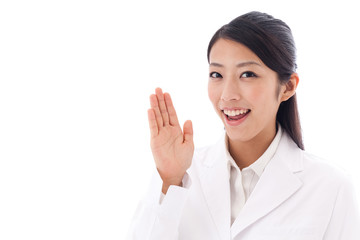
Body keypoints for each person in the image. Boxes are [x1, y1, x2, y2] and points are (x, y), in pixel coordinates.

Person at [127, 11, 360, 239]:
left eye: (247, 74)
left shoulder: (331, 187)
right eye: (217, 74)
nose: (227, 95)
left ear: (288, 86)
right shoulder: (182, 173)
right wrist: (169, 180)